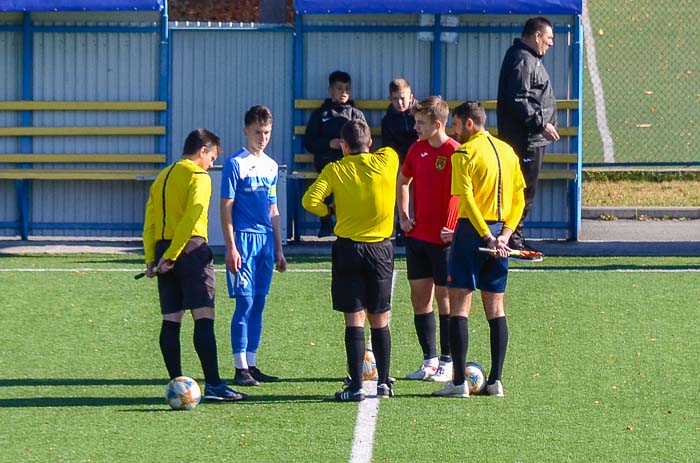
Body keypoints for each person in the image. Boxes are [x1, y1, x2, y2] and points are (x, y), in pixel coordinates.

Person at [143, 128, 246, 402]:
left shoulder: (162, 176)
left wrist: (152, 258)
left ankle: (176, 384)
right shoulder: (199, 176)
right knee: (203, 317)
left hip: (164, 248)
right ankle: (213, 385)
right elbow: (193, 216)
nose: (212, 164)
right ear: (202, 151)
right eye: (212, 158)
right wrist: (175, 254)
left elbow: (150, 221)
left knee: (171, 319)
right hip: (190, 249)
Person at [433, 101, 525, 398]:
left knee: (460, 306)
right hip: (501, 232)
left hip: (474, 234)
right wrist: (505, 236)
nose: (454, 131)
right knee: (496, 308)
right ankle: (496, 381)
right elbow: (519, 199)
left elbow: (466, 200)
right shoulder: (508, 151)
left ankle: (459, 382)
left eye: (456, 125)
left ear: (469, 123)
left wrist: (485, 237)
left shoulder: (464, 153)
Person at [302, 120, 398, 402]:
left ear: (343, 146)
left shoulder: (335, 169)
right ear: (370, 142)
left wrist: (329, 208)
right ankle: (383, 383)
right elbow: (389, 153)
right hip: (381, 248)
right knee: (380, 318)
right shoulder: (388, 160)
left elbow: (310, 201)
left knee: (354, 318)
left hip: (348, 249)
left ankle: (356, 386)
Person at [221, 105, 287, 387]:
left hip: (265, 244)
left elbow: (273, 207)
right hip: (244, 241)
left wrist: (279, 247)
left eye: (267, 132)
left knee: (259, 302)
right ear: (246, 130)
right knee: (245, 302)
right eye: (258, 132)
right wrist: (231, 247)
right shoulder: (235, 164)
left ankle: (252, 362)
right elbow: (226, 207)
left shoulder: (271, 166)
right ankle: (239, 367)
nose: (263, 137)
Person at [396, 96, 460, 383]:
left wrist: (453, 226)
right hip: (417, 237)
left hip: (444, 241)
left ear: (437, 125)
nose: (415, 127)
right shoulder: (416, 149)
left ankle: (448, 361)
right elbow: (404, 181)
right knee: (420, 299)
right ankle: (429, 360)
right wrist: (403, 214)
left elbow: (463, 194)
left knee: (445, 299)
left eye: (420, 123)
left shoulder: (454, 152)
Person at [497, 16, 560, 258]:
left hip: (531, 139)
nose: (551, 43)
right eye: (549, 38)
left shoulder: (528, 58)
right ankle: (512, 239)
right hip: (524, 141)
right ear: (536, 36)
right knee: (523, 190)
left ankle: (514, 236)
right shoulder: (522, 59)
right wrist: (540, 123)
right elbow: (518, 98)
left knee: (525, 190)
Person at [303, 70, 367, 238]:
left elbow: (364, 141)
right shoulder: (320, 114)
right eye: (339, 88)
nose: (344, 92)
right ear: (330, 90)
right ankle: (326, 221)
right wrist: (329, 144)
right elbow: (309, 142)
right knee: (328, 180)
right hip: (327, 160)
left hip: (351, 162)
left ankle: (351, 223)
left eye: (347, 88)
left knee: (355, 183)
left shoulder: (356, 114)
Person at [381, 78, 418, 245]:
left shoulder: (420, 113)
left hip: (422, 158)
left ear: (411, 96)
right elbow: (389, 147)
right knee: (397, 179)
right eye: (395, 99)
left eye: (402, 98)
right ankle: (402, 224)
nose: (399, 102)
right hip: (401, 161)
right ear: (390, 99)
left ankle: (418, 223)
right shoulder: (387, 121)